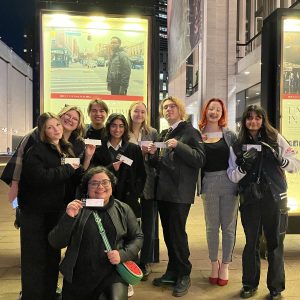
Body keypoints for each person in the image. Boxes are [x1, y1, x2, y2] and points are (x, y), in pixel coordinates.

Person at [227, 105, 300, 300]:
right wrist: (244, 166)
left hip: (274, 198)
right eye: (249, 118)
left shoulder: (275, 138)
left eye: (258, 118)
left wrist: (281, 159)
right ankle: (249, 284)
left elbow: (295, 164)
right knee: (251, 243)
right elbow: (232, 176)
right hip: (250, 199)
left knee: (275, 243)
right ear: (244, 121)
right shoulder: (238, 144)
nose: (253, 122)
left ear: (263, 119)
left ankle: (276, 288)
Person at [48, 166, 143, 300]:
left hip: (112, 273)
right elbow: (55, 242)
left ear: (112, 185)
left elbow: (137, 237)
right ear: (86, 187)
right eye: (94, 183)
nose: (100, 186)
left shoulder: (123, 209)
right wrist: (68, 218)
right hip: (79, 275)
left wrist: (123, 254)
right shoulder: (76, 209)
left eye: (105, 182)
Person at [18, 112, 81, 300]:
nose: (56, 130)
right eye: (50, 127)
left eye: (58, 126)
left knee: (52, 255)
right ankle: (32, 295)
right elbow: (40, 178)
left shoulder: (64, 148)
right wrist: (68, 169)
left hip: (55, 211)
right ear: (43, 131)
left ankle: (50, 292)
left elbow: (72, 178)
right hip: (35, 213)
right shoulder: (37, 150)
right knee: (35, 258)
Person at [148, 96, 206, 297]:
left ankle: (184, 273)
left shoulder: (190, 131)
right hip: (164, 192)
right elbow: (161, 164)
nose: (168, 110)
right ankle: (172, 270)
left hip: (180, 193)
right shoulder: (165, 133)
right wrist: (153, 154)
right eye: (165, 107)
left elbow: (200, 159)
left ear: (180, 110)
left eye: (172, 106)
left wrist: (178, 145)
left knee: (178, 234)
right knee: (168, 234)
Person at [198, 98, 238, 286]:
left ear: (222, 114)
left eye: (218, 110)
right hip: (208, 182)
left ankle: (226, 265)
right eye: (211, 109)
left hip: (230, 182)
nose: (214, 112)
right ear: (206, 111)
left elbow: (241, 155)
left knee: (228, 227)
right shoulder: (199, 135)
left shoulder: (229, 134)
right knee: (211, 227)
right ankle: (214, 263)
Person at [91, 113, 146, 219]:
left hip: (128, 201)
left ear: (125, 128)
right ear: (108, 127)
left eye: (121, 126)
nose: (117, 129)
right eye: (113, 125)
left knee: (129, 233)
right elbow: (93, 173)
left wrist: (135, 194)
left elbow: (141, 174)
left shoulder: (133, 149)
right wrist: (111, 168)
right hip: (104, 199)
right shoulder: (98, 149)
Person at [128, 101, 158, 280]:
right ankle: (130, 257)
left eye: (142, 111)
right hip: (129, 180)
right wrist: (139, 151)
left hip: (148, 181)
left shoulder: (152, 132)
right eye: (136, 111)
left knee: (149, 223)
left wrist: (152, 153)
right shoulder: (124, 131)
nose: (139, 114)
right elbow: (120, 154)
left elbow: (156, 159)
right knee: (130, 222)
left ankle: (145, 260)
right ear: (130, 112)